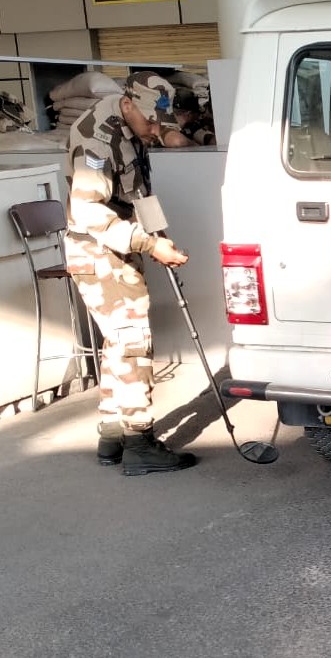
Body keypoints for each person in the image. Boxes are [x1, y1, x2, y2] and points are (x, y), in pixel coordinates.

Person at [64, 71, 197, 474]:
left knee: (117, 342)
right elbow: (88, 212)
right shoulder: (97, 139)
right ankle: (140, 442)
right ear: (127, 104)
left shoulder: (133, 123)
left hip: (119, 243)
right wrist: (148, 243)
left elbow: (138, 191)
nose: (155, 131)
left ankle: (112, 434)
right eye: (151, 122)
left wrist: (157, 237)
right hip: (98, 251)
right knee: (134, 341)